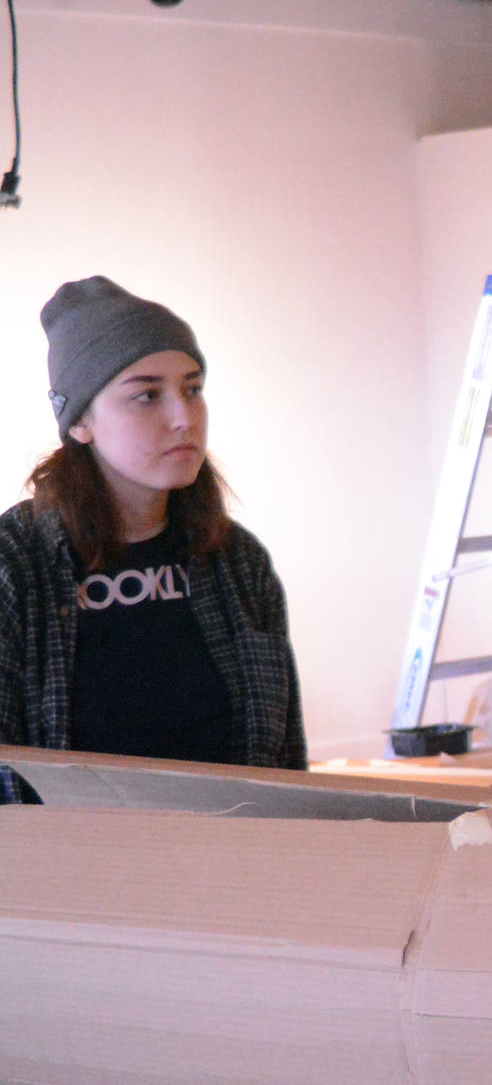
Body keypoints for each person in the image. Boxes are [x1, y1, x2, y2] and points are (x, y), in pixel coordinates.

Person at [0, 276, 307, 805]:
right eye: (147, 396)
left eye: (192, 389)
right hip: (66, 856)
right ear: (81, 422)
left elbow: (287, 770)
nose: (183, 418)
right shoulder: (15, 565)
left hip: (229, 852)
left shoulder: (237, 562)